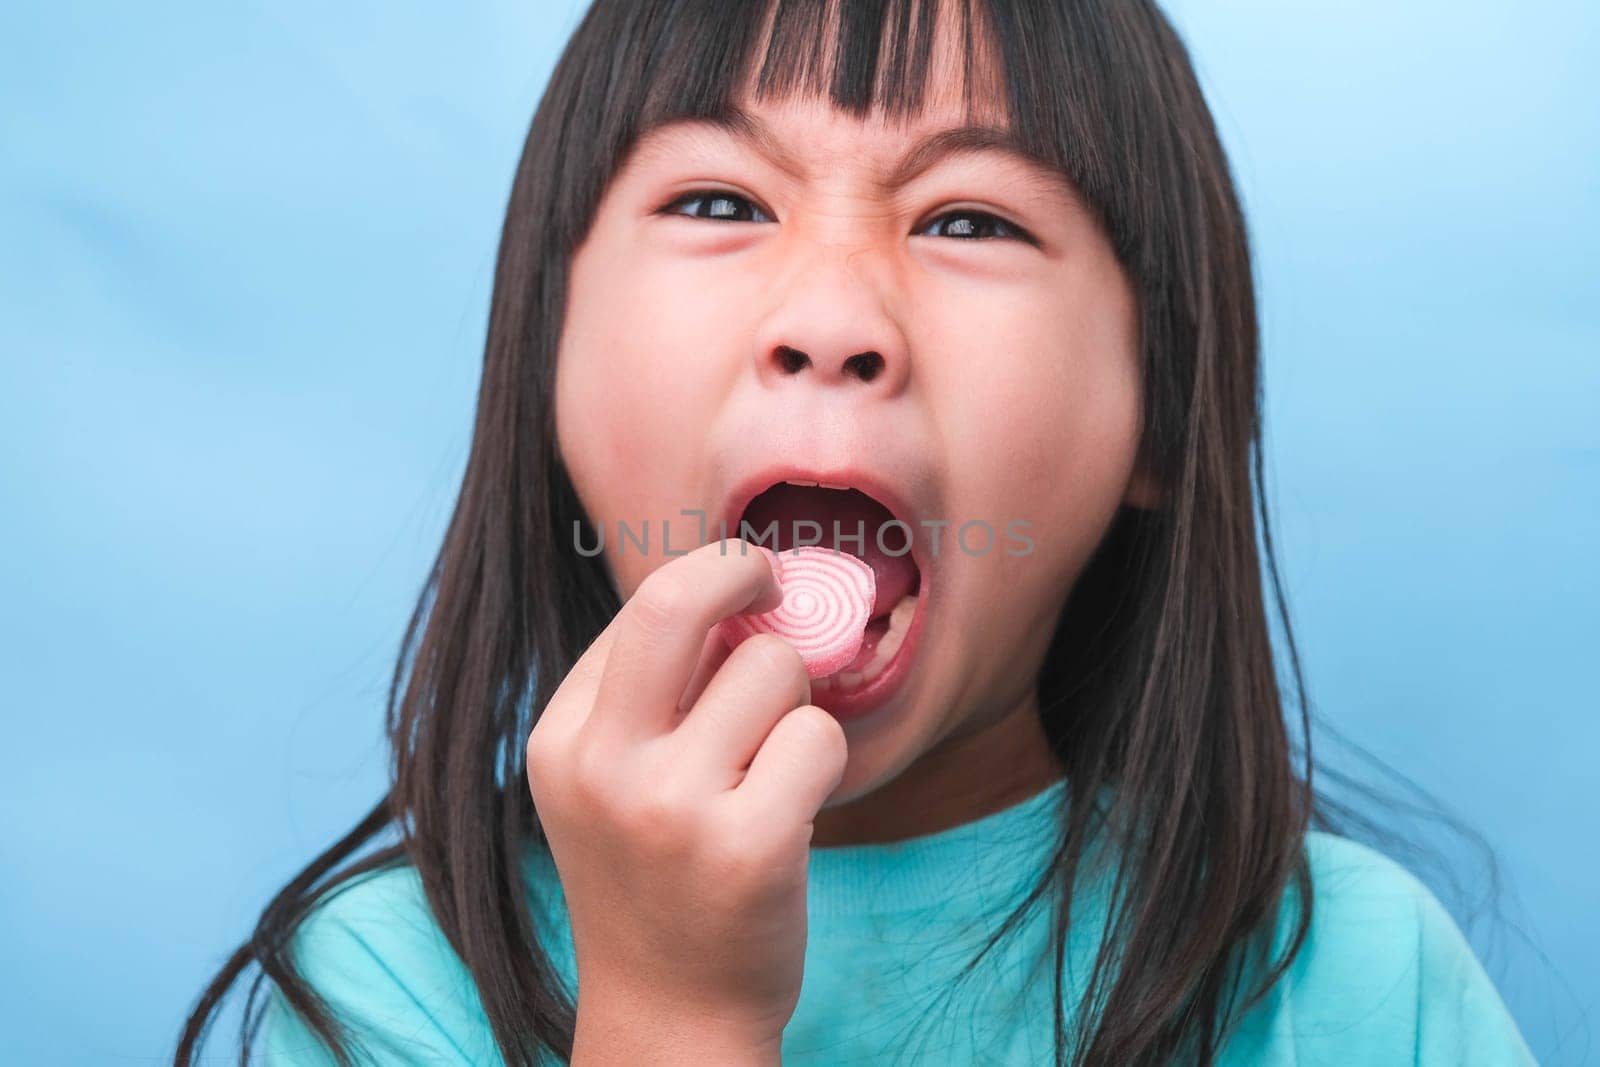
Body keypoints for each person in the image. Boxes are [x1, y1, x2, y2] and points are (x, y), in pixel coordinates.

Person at [176, 0, 1538, 1063]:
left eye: (969, 218)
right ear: (543, 367)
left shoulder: (1354, 985)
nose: (831, 321)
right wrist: (673, 1020)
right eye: (718, 202)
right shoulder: (393, 993)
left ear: (1163, 418)